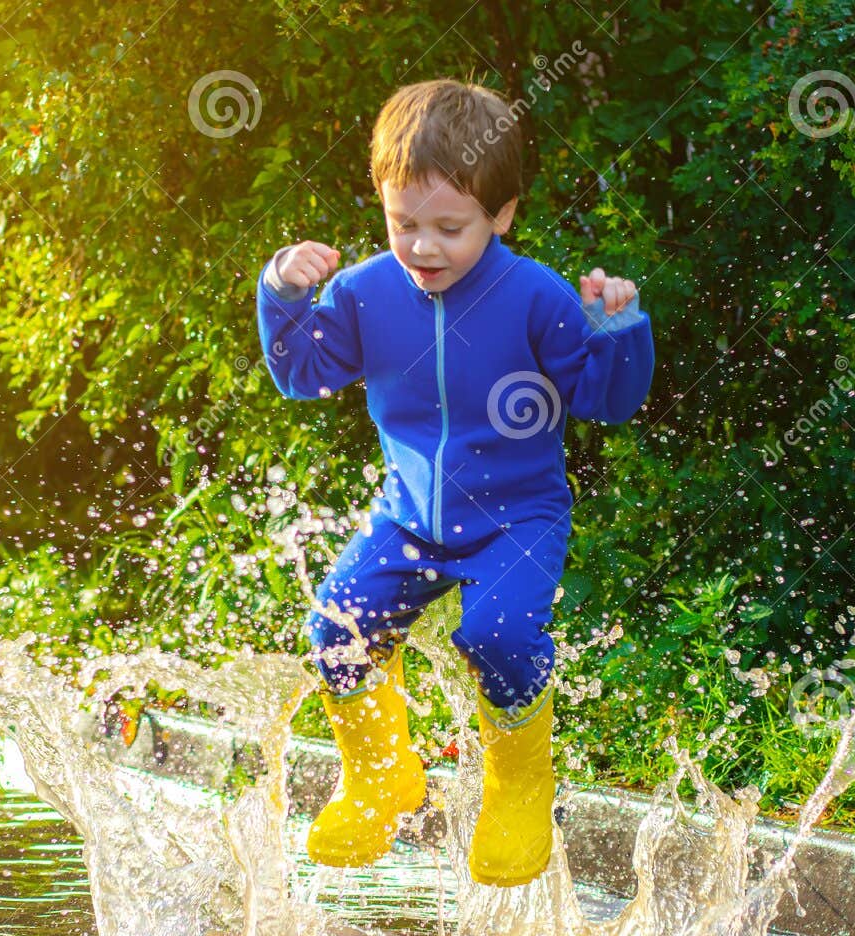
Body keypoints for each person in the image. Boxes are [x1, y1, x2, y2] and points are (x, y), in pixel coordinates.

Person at [255, 78, 655, 887]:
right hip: (408, 519)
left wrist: (617, 329)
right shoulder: (367, 291)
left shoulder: (535, 295)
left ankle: (518, 782)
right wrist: (285, 294)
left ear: (501, 215)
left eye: (450, 227)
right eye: (404, 224)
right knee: (337, 626)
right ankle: (380, 774)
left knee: (498, 636)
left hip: (517, 520)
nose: (424, 248)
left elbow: (605, 401)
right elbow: (303, 373)